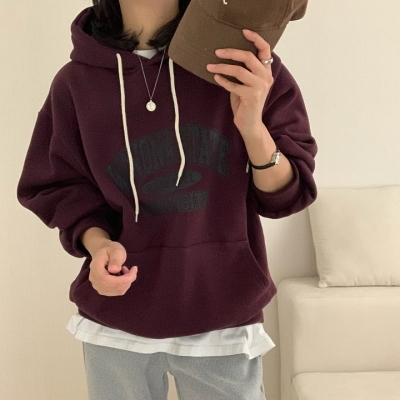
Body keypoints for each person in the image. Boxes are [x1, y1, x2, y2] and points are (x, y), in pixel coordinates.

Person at [17, 0, 317, 399]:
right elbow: (61, 187)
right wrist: (99, 244)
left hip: (222, 317)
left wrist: (253, 128)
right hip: (117, 324)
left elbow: (287, 195)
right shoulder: (75, 83)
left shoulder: (242, 66)